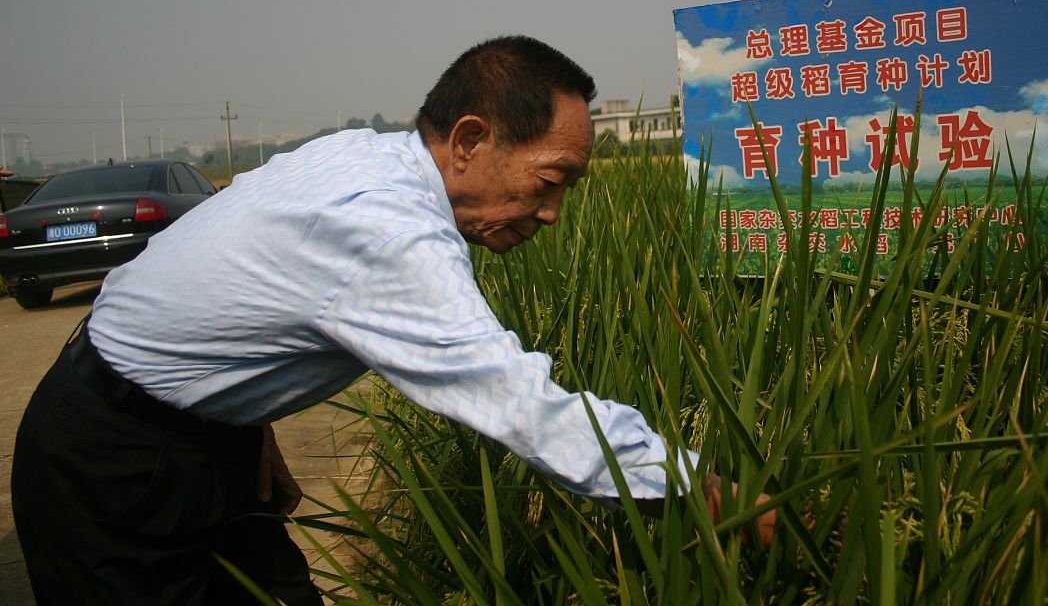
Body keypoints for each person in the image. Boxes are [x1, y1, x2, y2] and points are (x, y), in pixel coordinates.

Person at [12, 36, 772, 605]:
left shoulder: (364, 156)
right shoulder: (388, 227)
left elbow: (213, 269)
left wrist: (237, 415)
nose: (552, 212)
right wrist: (695, 483)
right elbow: (516, 401)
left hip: (182, 438)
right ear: (471, 140)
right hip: (112, 463)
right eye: (550, 181)